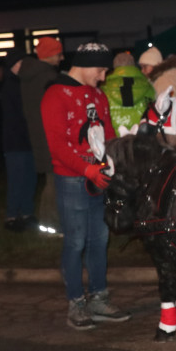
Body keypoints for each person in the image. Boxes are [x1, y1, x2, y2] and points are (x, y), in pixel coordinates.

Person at [40, 43, 131, 330]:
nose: (103, 77)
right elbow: (57, 145)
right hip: (72, 179)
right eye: (101, 69)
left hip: (98, 178)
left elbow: (108, 134)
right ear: (85, 64)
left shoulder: (98, 95)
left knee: (99, 240)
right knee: (76, 241)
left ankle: (99, 298)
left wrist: (113, 163)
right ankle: (76, 302)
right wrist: (87, 169)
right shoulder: (55, 95)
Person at [20, 36, 63, 233]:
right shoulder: (46, 76)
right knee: (54, 181)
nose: (61, 57)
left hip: (39, 134)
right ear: (50, 54)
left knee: (50, 180)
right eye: (59, 53)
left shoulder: (31, 75)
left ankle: (50, 224)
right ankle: (52, 225)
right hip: (49, 134)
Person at [0, 51, 37, 231]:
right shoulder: (11, 87)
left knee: (29, 179)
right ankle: (13, 216)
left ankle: (26, 214)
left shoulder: (23, 84)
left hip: (26, 140)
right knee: (17, 180)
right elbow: (16, 117)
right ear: (15, 64)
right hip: (16, 143)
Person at [101, 51, 155, 133]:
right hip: (141, 135)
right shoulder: (148, 85)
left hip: (115, 139)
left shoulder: (104, 88)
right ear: (133, 65)